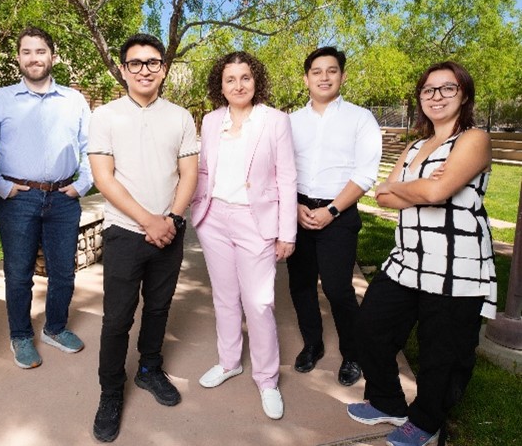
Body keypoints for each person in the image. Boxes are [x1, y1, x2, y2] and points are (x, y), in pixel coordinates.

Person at [347, 61, 497, 446]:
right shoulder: (415, 145)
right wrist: (416, 186)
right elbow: (382, 194)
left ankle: (426, 421)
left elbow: (433, 194)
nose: (437, 96)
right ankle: (387, 401)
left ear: (464, 94)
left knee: (441, 353)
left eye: (448, 88)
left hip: (455, 263)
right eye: (429, 90)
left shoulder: (473, 139)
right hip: (407, 259)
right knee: (369, 329)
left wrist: (409, 187)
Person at [87, 33, 198, 442]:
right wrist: (148, 220)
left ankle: (150, 369)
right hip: (124, 231)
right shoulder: (105, 115)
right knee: (117, 318)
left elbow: (189, 174)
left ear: (163, 68)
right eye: (135, 63)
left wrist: (170, 218)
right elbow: (103, 178)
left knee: (158, 308)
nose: (145, 70)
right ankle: (111, 391)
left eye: (153, 62)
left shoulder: (181, 116)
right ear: (123, 69)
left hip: (170, 230)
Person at [0, 26, 92, 369]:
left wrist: (82, 184)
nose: (34, 58)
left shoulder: (75, 100)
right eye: (26, 52)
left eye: (40, 51)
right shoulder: (0, 100)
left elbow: (92, 147)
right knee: (18, 273)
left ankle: (55, 329)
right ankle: (22, 336)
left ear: (52, 56)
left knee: (63, 272)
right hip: (18, 198)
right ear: (18, 58)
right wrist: (1, 186)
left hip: (63, 198)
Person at [191, 51, 296, 420]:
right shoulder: (210, 120)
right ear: (220, 85)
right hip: (214, 218)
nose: (238, 85)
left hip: (257, 221)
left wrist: (287, 232)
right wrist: (196, 210)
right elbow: (203, 170)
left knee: (260, 301)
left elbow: (286, 178)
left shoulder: (275, 121)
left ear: (257, 81)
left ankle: (267, 380)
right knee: (224, 297)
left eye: (245, 77)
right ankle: (229, 361)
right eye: (230, 79)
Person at [286, 46, 382, 386]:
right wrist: (293, 207)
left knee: (339, 289)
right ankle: (312, 345)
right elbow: (281, 170)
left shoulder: (360, 118)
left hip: (338, 213)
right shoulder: (291, 122)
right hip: (296, 211)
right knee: (300, 286)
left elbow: (366, 173)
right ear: (306, 78)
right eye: (316, 71)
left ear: (342, 75)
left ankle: (353, 353)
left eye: (331, 70)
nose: (324, 77)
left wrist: (331, 211)